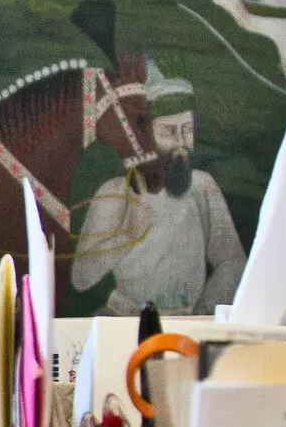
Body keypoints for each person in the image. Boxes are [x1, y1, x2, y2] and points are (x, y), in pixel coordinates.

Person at [69, 58, 245, 315]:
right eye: (168, 132)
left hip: (188, 322)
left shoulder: (202, 186)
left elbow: (233, 262)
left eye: (187, 129)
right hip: (126, 319)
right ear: (146, 136)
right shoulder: (116, 192)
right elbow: (81, 278)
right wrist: (127, 236)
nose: (181, 142)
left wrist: (200, 316)